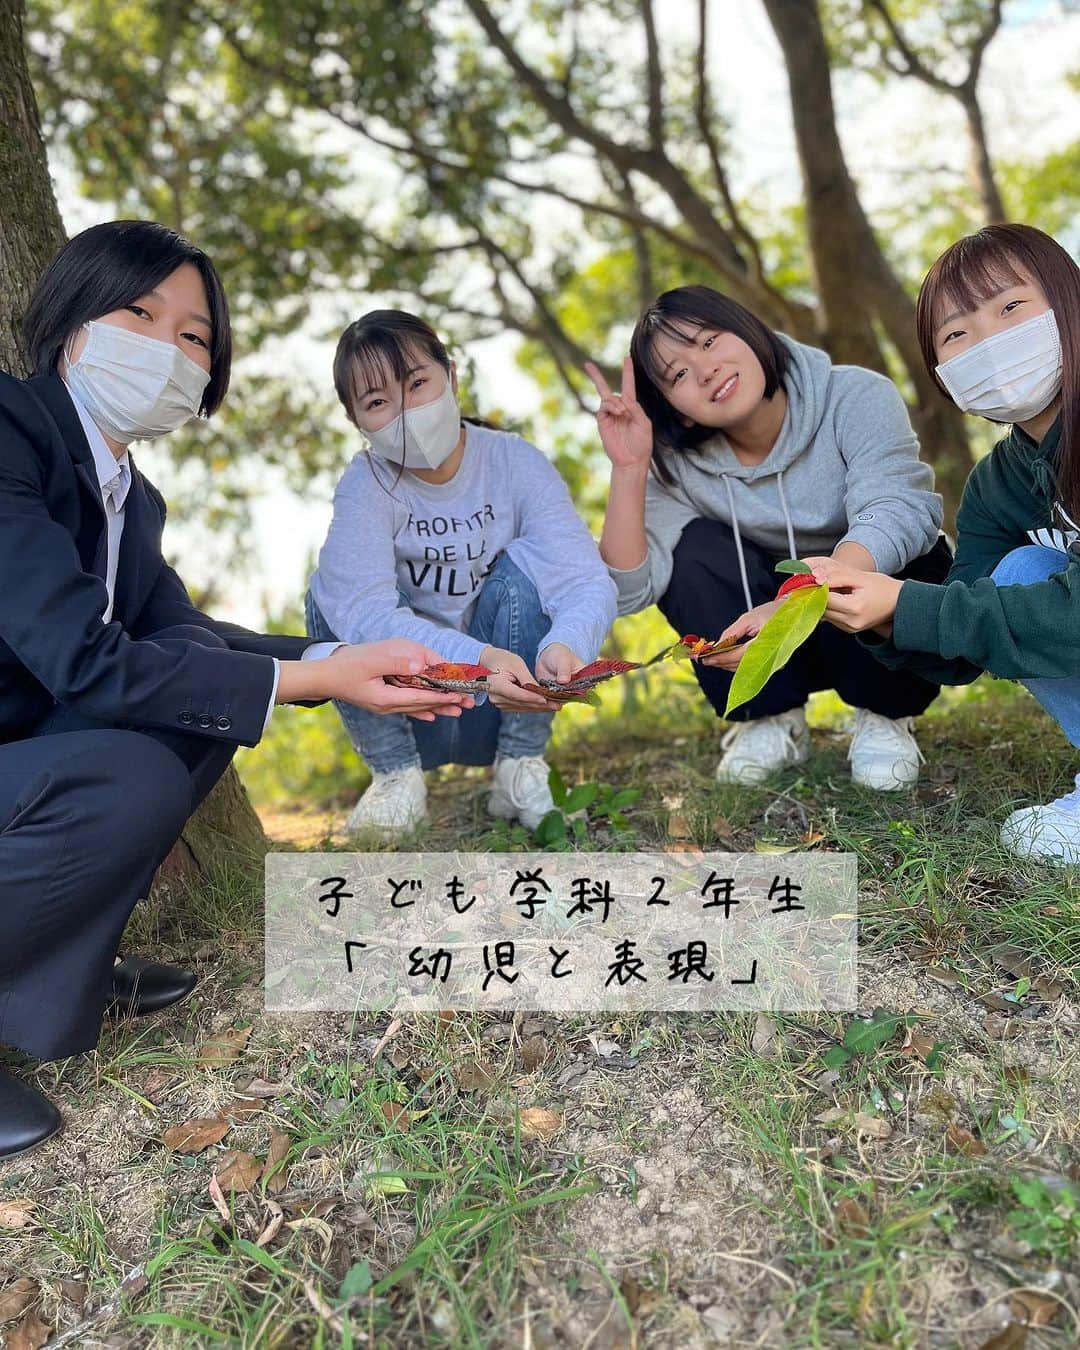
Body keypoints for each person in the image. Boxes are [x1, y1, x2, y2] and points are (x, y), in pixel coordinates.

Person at [0, 221, 472, 1160]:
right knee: (133, 770)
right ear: (67, 318)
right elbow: (83, 660)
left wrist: (380, 656)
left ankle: (68, 963)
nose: (168, 347)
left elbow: (192, 641)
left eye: (194, 337)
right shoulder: (10, 432)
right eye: (140, 312)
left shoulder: (131, 499)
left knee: (201, 713)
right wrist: (318, 674)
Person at [589, 284, 951, 788]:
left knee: (908, 541)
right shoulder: (676, 467)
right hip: (764, 637)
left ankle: (885, 714)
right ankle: (770, 717)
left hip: (860, 617)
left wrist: (798, 599)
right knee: (691, 552)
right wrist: (628, 469)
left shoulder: (853, 395)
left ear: (748, 329)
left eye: (710, 342)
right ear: (679, 409)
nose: (705, 369)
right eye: (677, 375)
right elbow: (630, 591)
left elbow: (898, 507)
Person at [808, 224, 1080, 864]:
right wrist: (876, 615)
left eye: (1011, 307)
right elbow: (964, 644)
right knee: (1017, 573)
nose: (989, 341)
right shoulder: (997, 483)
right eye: (957, 333)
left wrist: (904, 605)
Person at [307, 310, 618, 838]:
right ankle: (395, 779)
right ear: (357, 422)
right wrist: (477, 660)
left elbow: (584, 578)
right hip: (412, 704)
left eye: (418, 383)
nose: (407, 412)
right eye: (379, 402)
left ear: (451, 377)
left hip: (507, 698)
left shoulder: (515, 462)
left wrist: (565, 644)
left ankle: (520, 767)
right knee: (332, 596)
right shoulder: (365, 487)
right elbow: (362, 612)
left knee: (528, 569)